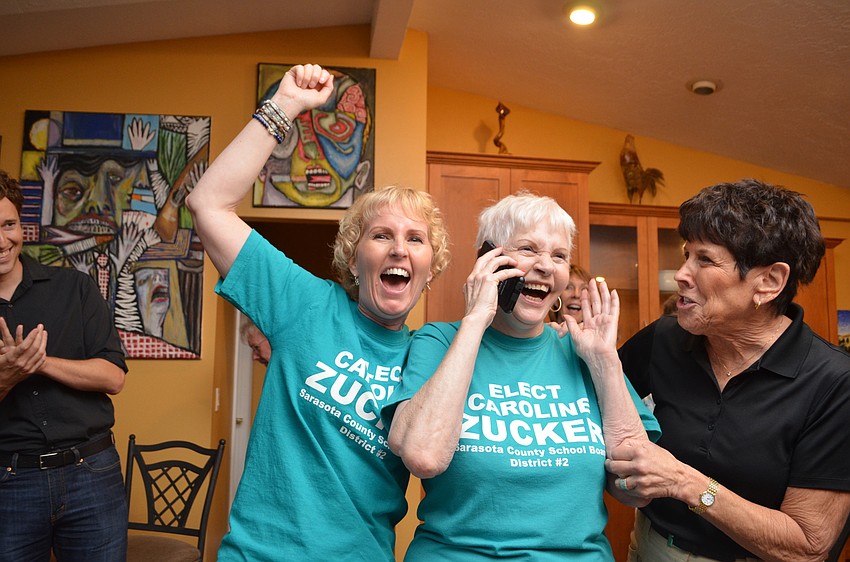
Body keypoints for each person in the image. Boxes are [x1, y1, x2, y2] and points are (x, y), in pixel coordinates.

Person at [185, 64, 450, 561]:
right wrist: (284, 106)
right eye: (381, 235)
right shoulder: (305, 303)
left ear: (430, 269)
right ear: (353, 258)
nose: (399, 249)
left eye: (416, 240)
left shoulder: (433, 357)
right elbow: (208, 204)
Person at [383, 192, 660, 560]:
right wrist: (476, 319)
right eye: (528, 249)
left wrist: (604, 361)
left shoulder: (584, 352)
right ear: (488, 259)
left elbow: (634, 488)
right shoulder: (440, 341)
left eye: (559, 256)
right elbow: (423, 455)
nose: (546, 266)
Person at [609, 179, 850, 561]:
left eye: (704, 259)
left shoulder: (835, 383)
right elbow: (588, 408)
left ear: (769, 282)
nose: (681, 274)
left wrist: (684, 482)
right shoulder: (663, 339)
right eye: (686, 255)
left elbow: (809, 547)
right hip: (651, 548)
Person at [0, 170, 129, 561]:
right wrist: (6, 377)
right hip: (10, 481)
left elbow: (114, 377)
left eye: (8, 225)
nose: (2, 240)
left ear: (21, 225)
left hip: (91, 471)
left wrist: (39, 363)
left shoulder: (75, 287)